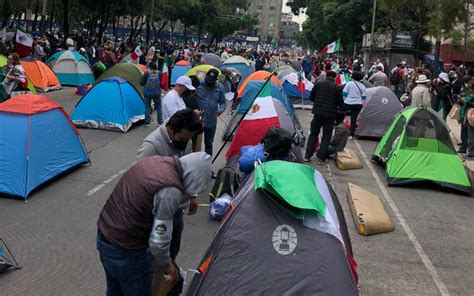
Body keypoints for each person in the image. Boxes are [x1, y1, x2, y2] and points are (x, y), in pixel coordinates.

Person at [97, 152, 212, 296]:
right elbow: (158, 240)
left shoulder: (159, 162)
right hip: (128, 249)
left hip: (105, 235)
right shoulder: (171, 192)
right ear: (194, 178)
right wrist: (167, 264)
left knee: (115, 290)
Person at [304, 71, 343, 164]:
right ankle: (321, 158)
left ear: (326, 76)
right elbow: (340, 103)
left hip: (317, 113)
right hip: (330, 115)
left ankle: (307, 156)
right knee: (326, 136)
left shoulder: (318, 84)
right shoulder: (336, 87)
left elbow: (311, 97)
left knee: (313, 134)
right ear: (334, 77)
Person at [197, 68, 226, 157]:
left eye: (212, 80)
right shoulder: (198, 85)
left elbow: (223, 102)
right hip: (198, 121)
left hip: (211, 121)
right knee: (195, 143)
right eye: (208, 78)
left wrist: (221, 110)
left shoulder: (220, 87)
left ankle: (207, 163)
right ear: (206, 76)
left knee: (209, 143)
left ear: (215, 80)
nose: (209, 81)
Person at [182, 75, 204, 152]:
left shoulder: (181, 96)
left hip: (187, 129)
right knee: (196, 151)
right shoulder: (192, 98)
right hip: (195, 128)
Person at [342, 71, 367, 137]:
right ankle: (351, 133)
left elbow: (344, 94)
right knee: (354, 119)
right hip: (358, 104)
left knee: (341, 114)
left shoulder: (349, 84)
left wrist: (344, 100)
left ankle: (340, 127)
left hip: (348, 103)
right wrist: (363, 105)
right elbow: (364, 97)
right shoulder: (363, 86)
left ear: (352, 77)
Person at [141, 62, 162, 126]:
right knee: (158, 107)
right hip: (156, 92)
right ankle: (159, 122)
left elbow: (141, 83)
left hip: (147, 92)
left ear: (150, 67)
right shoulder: (159, 73)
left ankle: (147, 122)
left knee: (147, 107)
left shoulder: (147, 73)